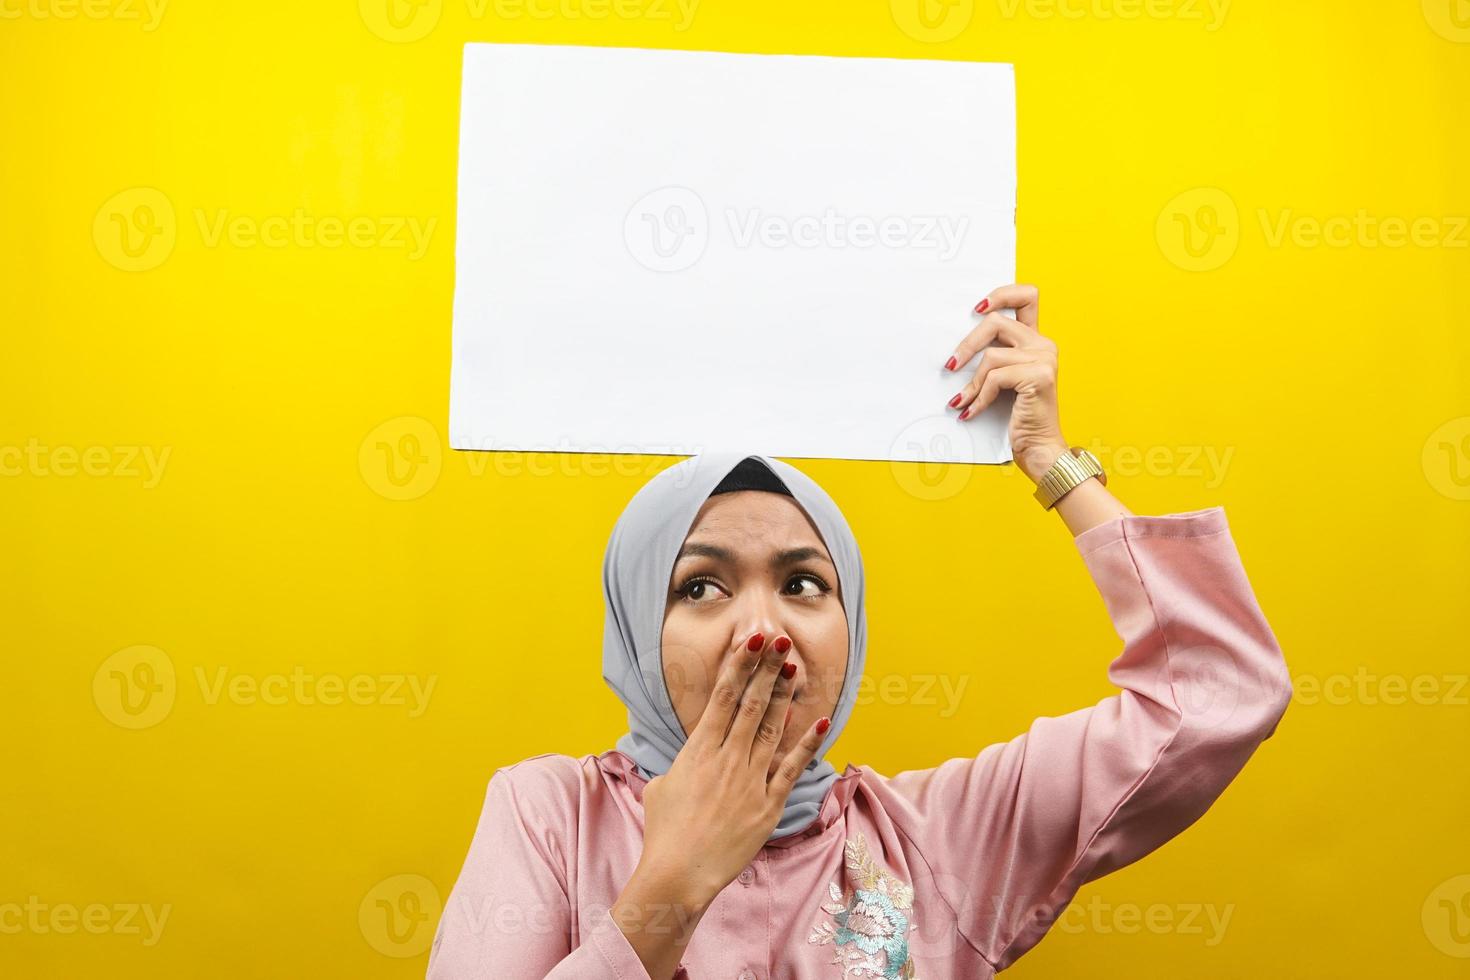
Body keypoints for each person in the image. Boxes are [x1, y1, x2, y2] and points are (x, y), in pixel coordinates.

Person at [426, 284, 1293, 979]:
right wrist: (673, 887)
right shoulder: (549, 815)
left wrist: (1053, 463)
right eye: (701, 587)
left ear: (854, 625)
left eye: (803, 583)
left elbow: (1216, 694)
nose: (760, 629)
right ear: (634, 626)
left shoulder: (940, 840)